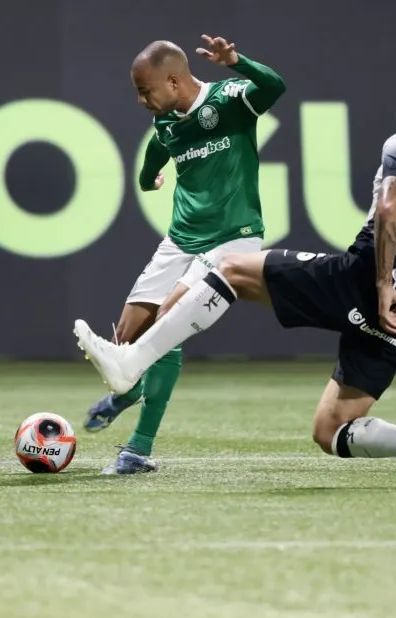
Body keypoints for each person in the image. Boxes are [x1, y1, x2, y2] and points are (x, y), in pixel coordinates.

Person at [74, 61, 396, 490]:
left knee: (229, 269)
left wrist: (381, 283)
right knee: (331, 430)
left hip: (362, 281)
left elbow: (387, 209)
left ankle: (132, 362)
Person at [82, 36, 285, 475]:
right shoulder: (166, 122)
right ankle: (128, 391)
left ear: (174, 80)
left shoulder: (228, 101)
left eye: (145, 90)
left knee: (166, 322)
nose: (141, 100)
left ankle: (137, 449)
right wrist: (146, 178)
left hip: (234, 239)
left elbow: (274, 86)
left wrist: (237, 62)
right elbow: (156, 154)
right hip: (180, 240)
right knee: (128, 333)